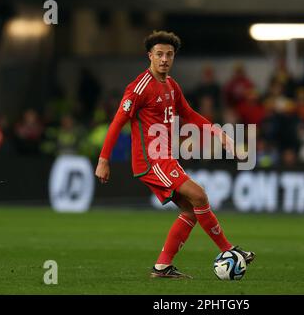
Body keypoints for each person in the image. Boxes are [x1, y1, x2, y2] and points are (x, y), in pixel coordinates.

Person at [95, 31, 255, 279]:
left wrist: (220, 134)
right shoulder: (140, 87)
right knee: (199, 195)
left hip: (165, 157)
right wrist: (104, 159)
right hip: (151, 159)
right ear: (150, 56)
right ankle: (229, 250)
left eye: (169, 54)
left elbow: (189, 114)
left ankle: (162, 267)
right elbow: (118, 121)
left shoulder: (172, 85)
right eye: (159, 54)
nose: (164, 59)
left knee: (191, 210)